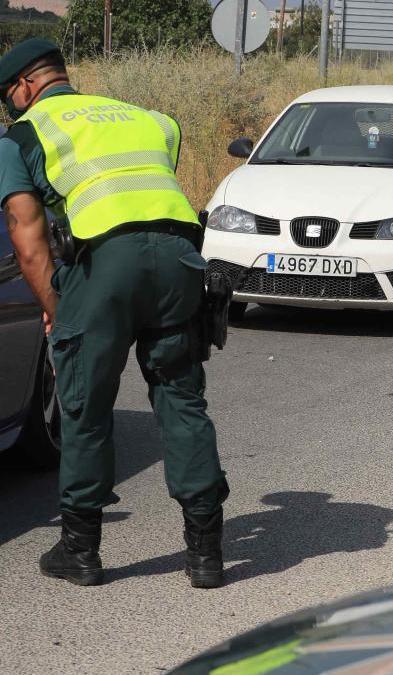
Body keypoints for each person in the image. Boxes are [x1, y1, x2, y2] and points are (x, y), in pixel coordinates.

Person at [0, 39, 228, 587]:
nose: (11, 104)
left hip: (104, 264)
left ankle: (80, 550)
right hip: (180, 260)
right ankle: (206, 554)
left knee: (85, 404)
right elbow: (149, 196)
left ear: (27, 85)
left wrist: (58, 309)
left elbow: (27, 240)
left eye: (9, 94)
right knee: (181, 397)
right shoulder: (148, 120)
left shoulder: (25, 134)